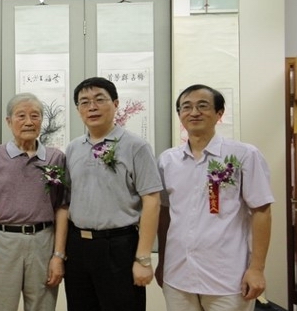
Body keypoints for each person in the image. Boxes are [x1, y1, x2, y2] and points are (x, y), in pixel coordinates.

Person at [157, 84, 274, 311]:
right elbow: (164, 214)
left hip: (228, 278)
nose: (194, 112)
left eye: (202, 106)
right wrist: (162, 262)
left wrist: (257, 269)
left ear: (219, 113)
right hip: (178, 274)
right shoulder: (167, 160)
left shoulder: (243, 155)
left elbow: (262, 211)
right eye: (186, 107)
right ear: (179, 114)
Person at [64, 76, 161, 311]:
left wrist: (143, 258)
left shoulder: (136, 146)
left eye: (100, 99)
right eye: (84, 102)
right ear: (78, 109)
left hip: (119, 246)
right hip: (77, 246)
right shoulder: (73, 148)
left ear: (116, 104)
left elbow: (152, 200)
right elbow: (67, 200)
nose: (92, 107)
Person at [0, 93, 68, 311]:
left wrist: (58, 256)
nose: (28, 122)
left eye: (35, 116)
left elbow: (61, 208)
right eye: (21, 116)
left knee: (43, 306)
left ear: (42, 120)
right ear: (9, 121)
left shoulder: (56, 158)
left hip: (43, 241)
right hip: (2, 242)